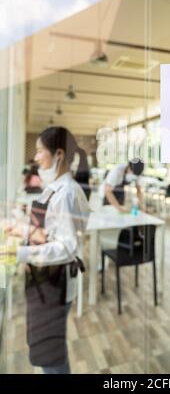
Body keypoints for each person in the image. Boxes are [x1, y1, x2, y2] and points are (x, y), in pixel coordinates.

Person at [7, 127, 90, 374]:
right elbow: (49, 232)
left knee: (50, 356)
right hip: (43, 278)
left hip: (55, 282)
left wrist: (19, 253)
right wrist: (22, 230)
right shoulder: (54, 187)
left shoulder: (66, 192)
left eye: (40, 150)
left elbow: (66, 247)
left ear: (59, 154)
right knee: (44, 350)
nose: (36, 157)